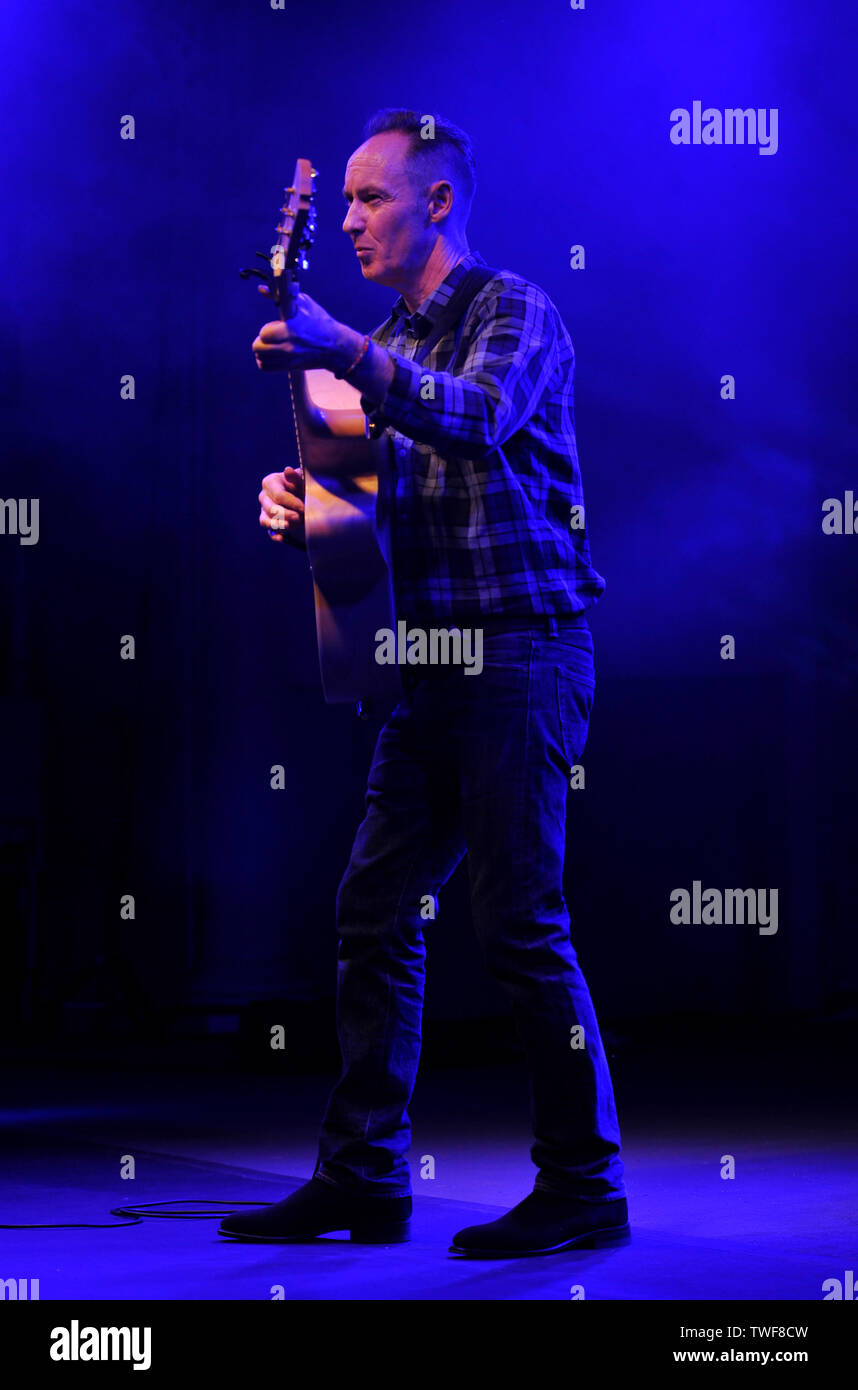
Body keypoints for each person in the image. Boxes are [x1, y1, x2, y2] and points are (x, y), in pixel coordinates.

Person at [220, 109, 629, 1256]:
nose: (349, 220)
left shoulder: (514, 310)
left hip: (525, 647)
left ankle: (584, 1183)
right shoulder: (391, 338)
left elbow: (479, 417)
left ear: (436, 202)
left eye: (370, 198)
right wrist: (309, 508)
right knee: (374, 908)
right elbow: (377, 496)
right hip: (436, 662)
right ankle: (365, 1176)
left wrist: (342, 351)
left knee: (520, 920)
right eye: (341, 202)